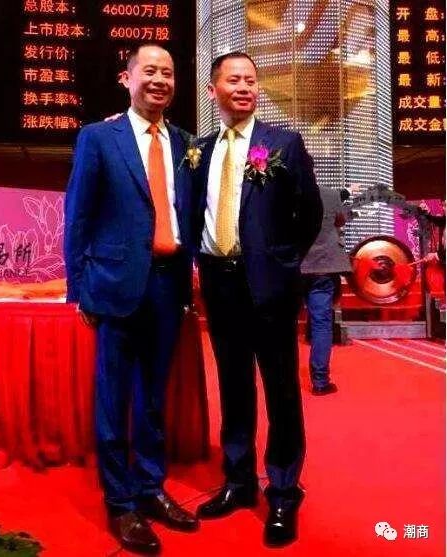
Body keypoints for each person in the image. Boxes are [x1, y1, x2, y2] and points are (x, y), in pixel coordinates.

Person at [64, 43, 198, 555]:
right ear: (127, 78)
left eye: (168, 73)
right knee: (113, 397)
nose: (160, 80)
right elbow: (78, 215)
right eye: (150, 71)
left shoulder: (185, 143)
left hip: (168, 285)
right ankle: (120, 501)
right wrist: (79, 288)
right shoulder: (99, 137)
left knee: (154, 397)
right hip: (113, 286)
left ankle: (150, 487)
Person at [193, 52, 323, 547]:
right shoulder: (200, 150)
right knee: (233, 386)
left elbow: (309, 213)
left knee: (281, 389)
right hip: (219, 284)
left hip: (269, 286)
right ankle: (239, 481)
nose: (245, 87)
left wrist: (282, 261)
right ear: (214, 89)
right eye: (234, 80)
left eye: (251, 80)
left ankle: (284, 491)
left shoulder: (283, 144)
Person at [300, 186, 352, 395]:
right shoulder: (330, 194)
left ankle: (282, 382)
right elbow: (341, 221)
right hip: (323, 266)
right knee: (321, 324)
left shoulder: (284, 193)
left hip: (293, 266)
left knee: (282, 324)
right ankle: (320, 382)